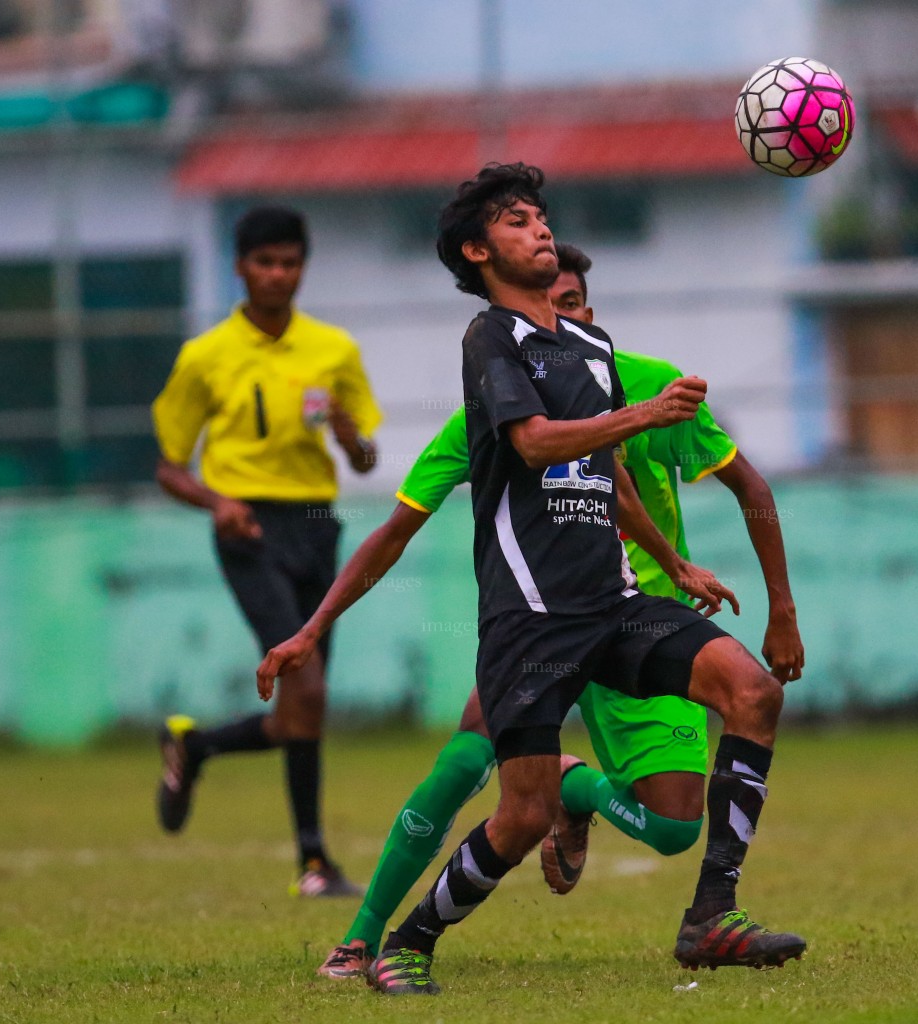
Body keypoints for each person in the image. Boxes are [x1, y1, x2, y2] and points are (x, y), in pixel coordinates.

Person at [256, 242, 806, 981]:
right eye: (549, 309)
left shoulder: (644, 383)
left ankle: (607, 823)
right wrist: (311, 628)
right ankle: (366, 933)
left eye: (572, 307)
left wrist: (685, 570)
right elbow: (393, 532)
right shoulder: (495, 406)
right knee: (470, 761)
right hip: (537, 621)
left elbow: (705, 486)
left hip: (631, 615)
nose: (558, 324)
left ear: (587, 316)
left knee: (677, 826)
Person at [150, 205, 382, 898]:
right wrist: (218, 503)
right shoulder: (206, 356)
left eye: (289, 262)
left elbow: (366, 459)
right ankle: (314, 863)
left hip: (317, 524)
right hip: (246, 529)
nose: (278, 275)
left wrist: (347, 433)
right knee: (303, 685)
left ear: (302, 267)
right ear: (240, 267)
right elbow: (168, 465)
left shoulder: (332, 351)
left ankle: (196, 747)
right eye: (264, 262)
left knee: (302, 708)